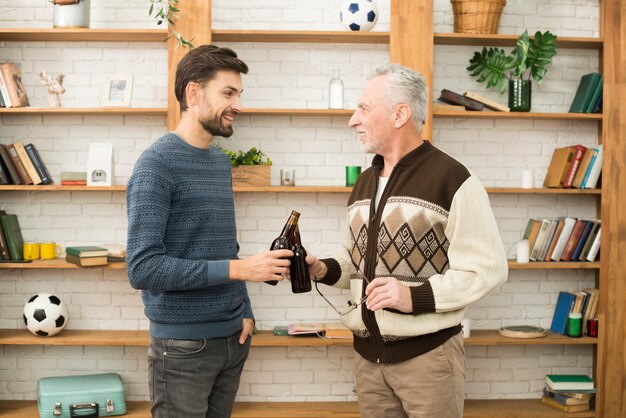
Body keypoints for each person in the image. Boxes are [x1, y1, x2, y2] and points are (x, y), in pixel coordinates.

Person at [306, 64, 508, 418]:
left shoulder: (454, 179)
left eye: (364, 109)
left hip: (429, 362)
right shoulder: (364, 182)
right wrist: (322, 269)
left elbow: (487, 270)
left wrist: (413, 296)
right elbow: (356, 261)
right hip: (368, 362)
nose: (353, 120)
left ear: (400, 114)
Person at [126, 44, 292, 418]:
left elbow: (225, 246)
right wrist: (239, 270)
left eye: (240, 94)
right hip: (182, 346)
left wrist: (245, 310)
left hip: (233, 338)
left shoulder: (218, 161)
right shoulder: (156, 165)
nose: (239, 105)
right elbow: (143, 268)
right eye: (228, 93)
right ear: (194, 93)